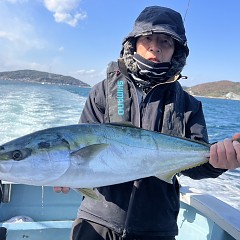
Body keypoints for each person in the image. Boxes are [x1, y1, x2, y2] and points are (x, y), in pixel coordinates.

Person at [54, 6, 240, 240]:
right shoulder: (102, 92)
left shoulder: (189, 105)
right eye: (148, 38)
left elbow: (197, 166)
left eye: (166, 41)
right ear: (133, 44)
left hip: (156, 227)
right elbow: (80, 147)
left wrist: (220, 161)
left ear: (176, 52)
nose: (155, 47)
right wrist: (63, 173)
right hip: (97, 220)